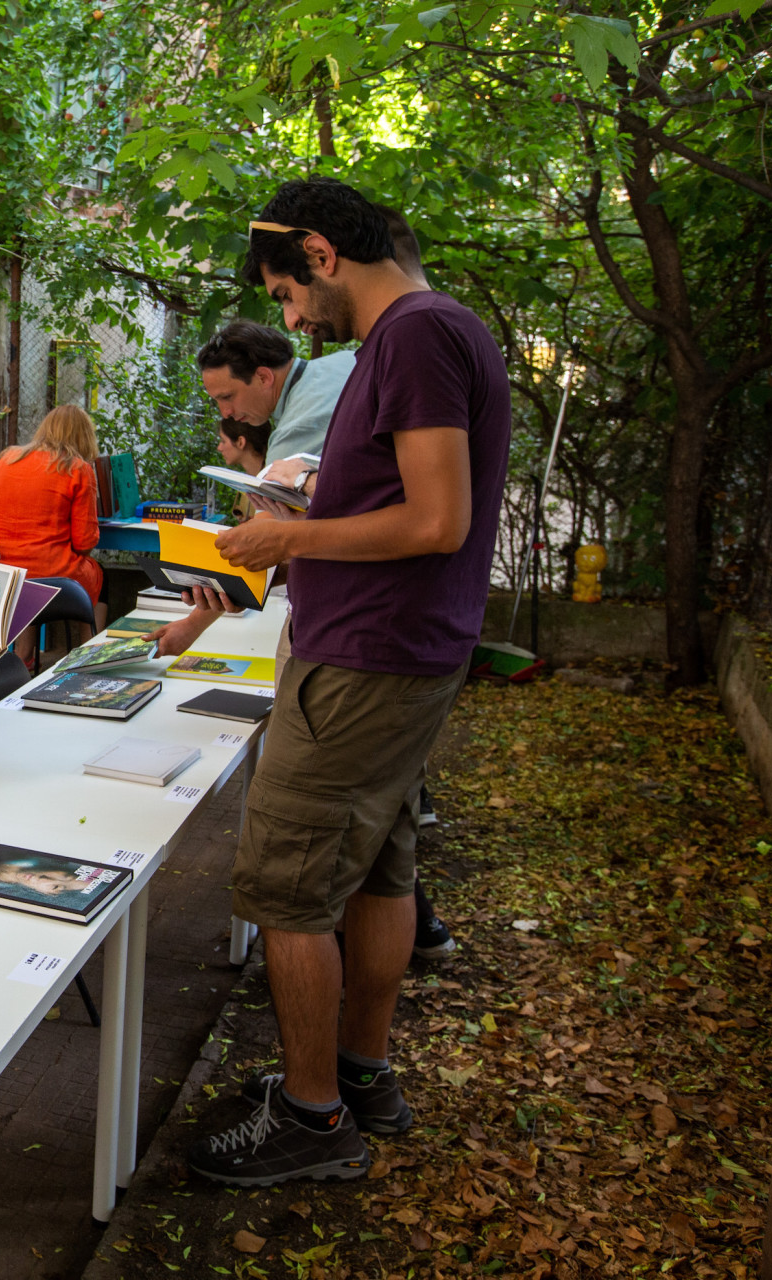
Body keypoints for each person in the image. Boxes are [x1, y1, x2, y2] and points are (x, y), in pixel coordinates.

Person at [184, 177, 510, 1188]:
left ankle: (313, 1115)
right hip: (401, 652)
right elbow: (405, 488)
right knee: (377, 868)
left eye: (287, 294)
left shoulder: (412, 335)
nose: (290, 319)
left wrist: (287, 536)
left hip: (367, 658)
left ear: (323, 255)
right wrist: (320, 493)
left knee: (287, 888)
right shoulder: (431, 333)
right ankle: (359, 1074)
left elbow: (437, 520)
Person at [0, 404, 106, 636]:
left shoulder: (7, 460)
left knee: (26, 582)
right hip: (53, 578)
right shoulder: (79, 469)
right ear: (84, 437)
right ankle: (88, 650)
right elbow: (84, 542)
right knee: (98, 577)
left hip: (1, 573)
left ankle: (24, 654)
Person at [195, 319, 354, 466]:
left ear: (263, 378)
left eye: (227, 397)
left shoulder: (290, 440)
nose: (225, 413)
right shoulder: (350, 358)